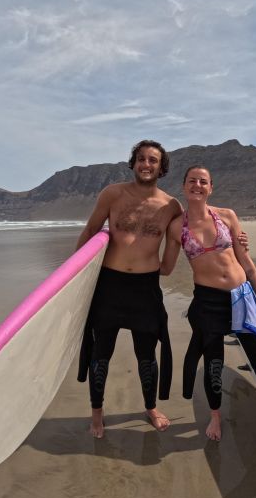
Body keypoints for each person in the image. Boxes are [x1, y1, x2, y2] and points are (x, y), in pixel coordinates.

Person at [161, 165, 256, 445]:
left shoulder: (227, 216)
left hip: (242, 297)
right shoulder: (177, 227)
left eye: (203, 181)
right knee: (213, 363)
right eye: (192, 181)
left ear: (211, 188)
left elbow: (246, 261)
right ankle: (215, 416)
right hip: (208, 303)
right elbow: (166, 266)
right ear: (184, 187)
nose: (197, 185)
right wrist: (128, 254)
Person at [75, 140, 182, 438]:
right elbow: (90, 231)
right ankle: (97, 414)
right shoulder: (112, 194)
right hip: (109, 287)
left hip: (145, 291)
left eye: (153, 160)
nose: (146, 165)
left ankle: (150, 407)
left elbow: (178, 241)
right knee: (100, 355)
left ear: (162, 168)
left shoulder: (171, 205)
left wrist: (168, 262)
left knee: (147, 356)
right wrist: (71, 275)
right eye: (141, 159)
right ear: (133, 163)